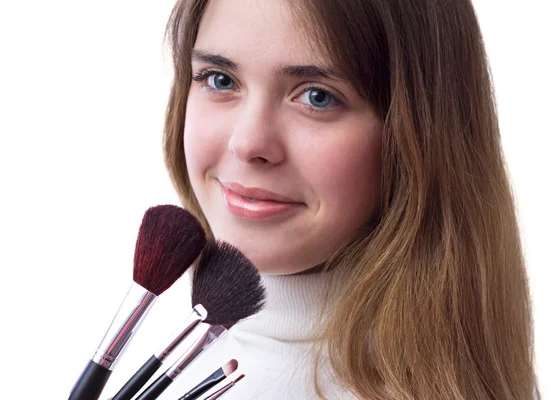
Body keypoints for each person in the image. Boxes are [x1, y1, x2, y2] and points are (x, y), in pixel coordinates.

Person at [158, 0, 539, 398]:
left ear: (418, 141)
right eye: (220, 80)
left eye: (318, 97)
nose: (247, 143)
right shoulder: (159, 333)